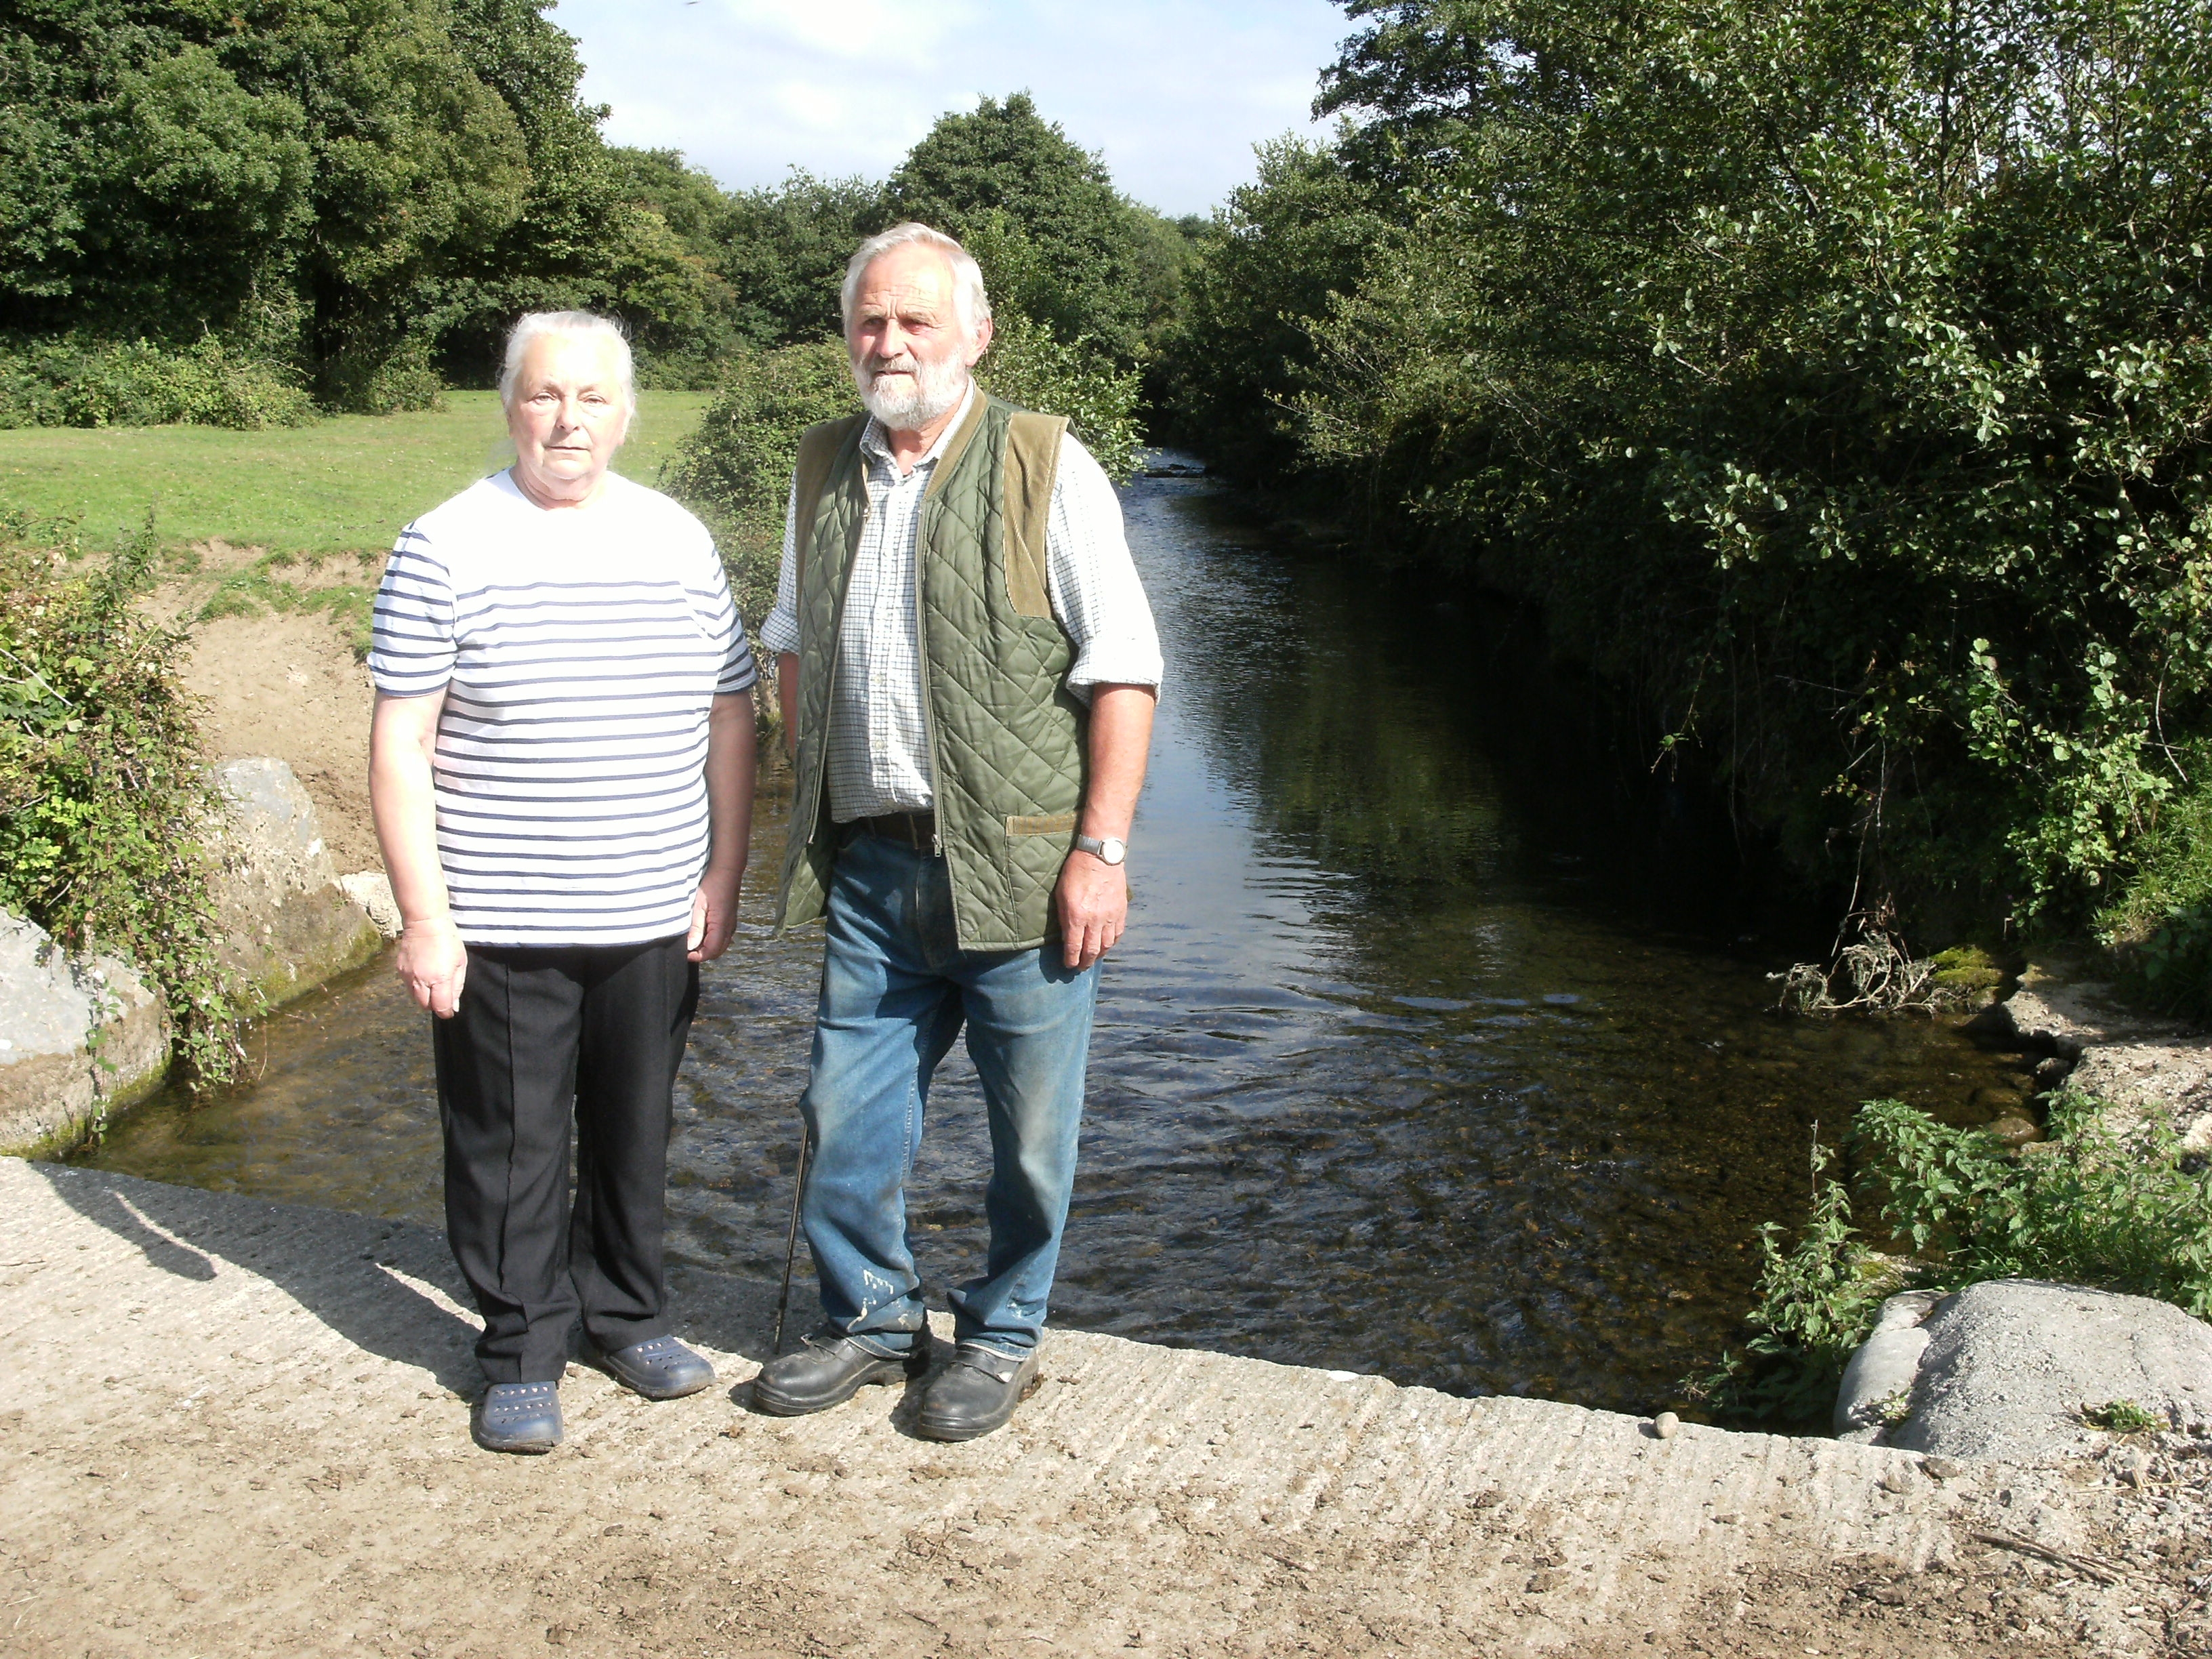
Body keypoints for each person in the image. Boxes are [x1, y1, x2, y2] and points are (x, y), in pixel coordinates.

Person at [753, 223, 1162, 1441]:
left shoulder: (1048, 464)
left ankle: (1001, 1336)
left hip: (1023, 876)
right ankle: (872, 1320)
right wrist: (806, 777)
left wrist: (1101, 851)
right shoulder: (823, 463)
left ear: (974, 334)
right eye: (870, 322)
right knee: (843, 1111)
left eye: (916, 320)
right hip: (874, 866)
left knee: (1030, 1137)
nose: (890, 343)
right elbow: (788, 636)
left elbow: (1125, 666)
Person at [367, 310, 758, 1455]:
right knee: (511, 1146)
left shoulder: (680, 541)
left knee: (635, 1133)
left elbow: (730, 711)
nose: (568, 419)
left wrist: (725, 869)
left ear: (626, 413)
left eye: (591, 398)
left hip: (651, 909)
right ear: (508, 405)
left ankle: (626, 1316)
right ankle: (522, 1350)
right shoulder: (442, 543)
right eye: (545, 395)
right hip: (501, 916)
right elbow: (400, 741)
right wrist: (425, 916)